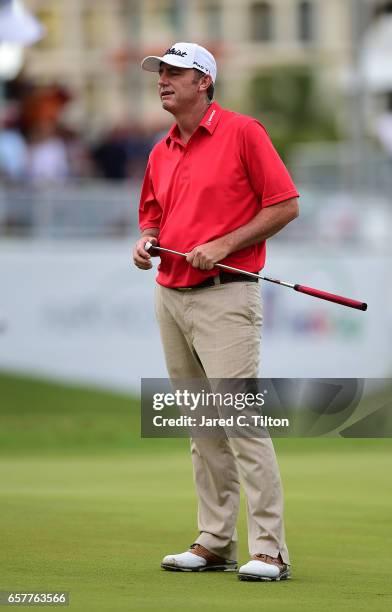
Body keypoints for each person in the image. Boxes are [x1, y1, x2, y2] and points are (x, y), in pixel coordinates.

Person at [133, 42, 299, 582]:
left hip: (226, 291)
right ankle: (214, 541)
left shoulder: (243, 132)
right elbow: (153, 216)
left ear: (204, 81)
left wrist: (225, 244)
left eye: (175, 73)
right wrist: (146, 241)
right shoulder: (161, 151)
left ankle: (270, 549)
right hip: (171, 292)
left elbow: (284, 204)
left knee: (241, 423)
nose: (163, 80)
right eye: (160, 73)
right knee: (201, 426)